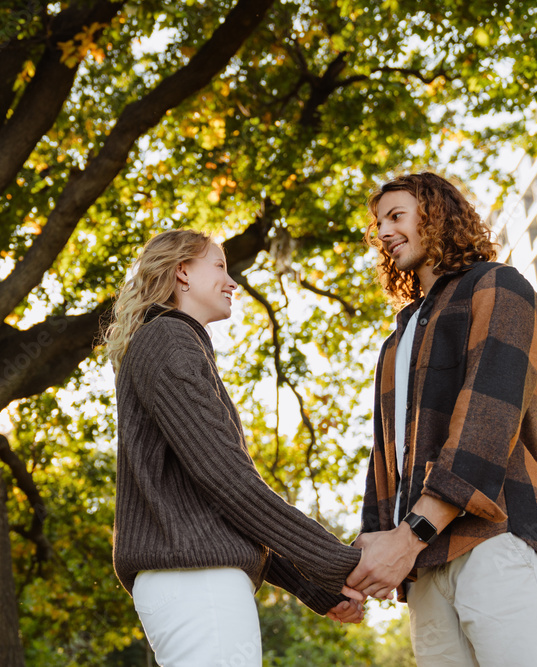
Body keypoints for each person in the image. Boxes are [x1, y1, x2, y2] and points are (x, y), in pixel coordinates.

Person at [347, 172, 537, 666]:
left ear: (436, 215)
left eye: (397, 216)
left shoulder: (498, 286)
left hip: (500, 539)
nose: (384, 232)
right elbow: (386, 455)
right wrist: (364, 562)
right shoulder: (397, 340)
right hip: (426, 567)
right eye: (378, 223)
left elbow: (489, 417)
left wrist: (409, 535)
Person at [104, 229, 364, 666]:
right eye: (220, 266)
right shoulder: (169, 340)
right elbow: (226, 479)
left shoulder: (172, 344)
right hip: (196, 584)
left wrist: (312, 586)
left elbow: (219, 506)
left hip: (194, 582)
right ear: (182, 271)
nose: (232, 282)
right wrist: (335, 560)